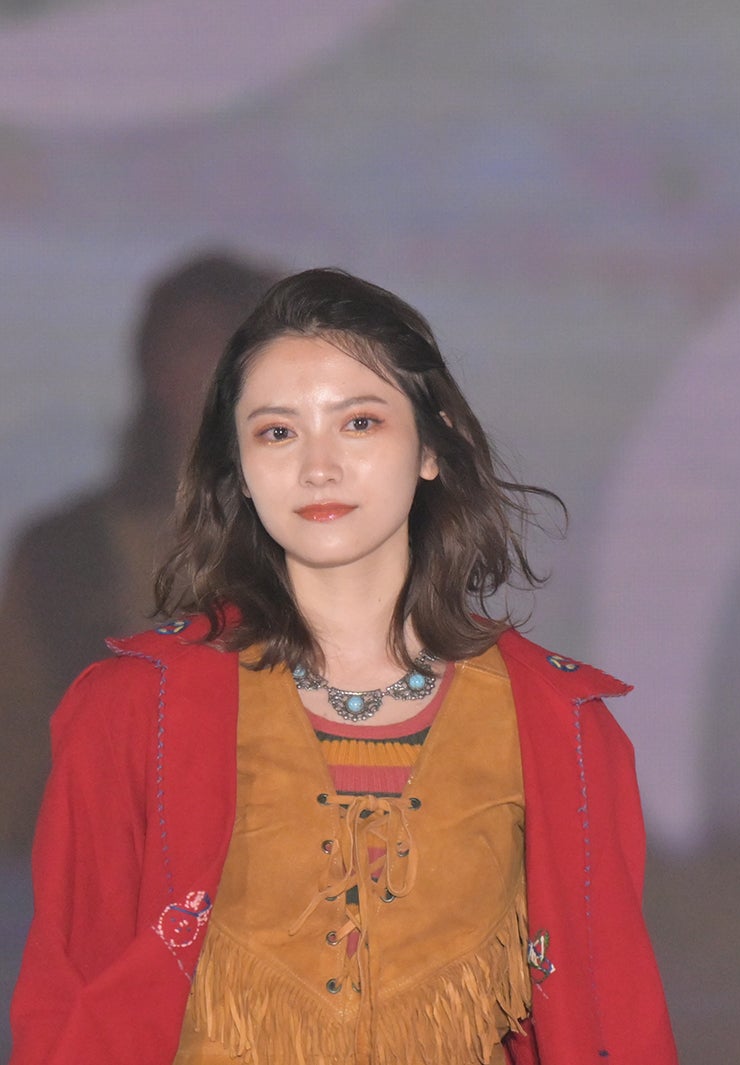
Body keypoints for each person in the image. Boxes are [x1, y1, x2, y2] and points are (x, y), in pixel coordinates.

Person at [10, 268, 678, 1064]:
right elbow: (70, 1012)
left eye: (359, 422)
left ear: (431, 447)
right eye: (277, 432)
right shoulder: (131, 711)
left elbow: (614, 1021)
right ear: (239, 470)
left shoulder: (561, 726)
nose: (318, 466)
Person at [0, 250, 276, 851]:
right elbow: (17, 731)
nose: (211, 368)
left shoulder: (323, 542)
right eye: (193, 342)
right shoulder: (60, 552)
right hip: (92, 854)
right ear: (153, 364)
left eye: (233, 344)